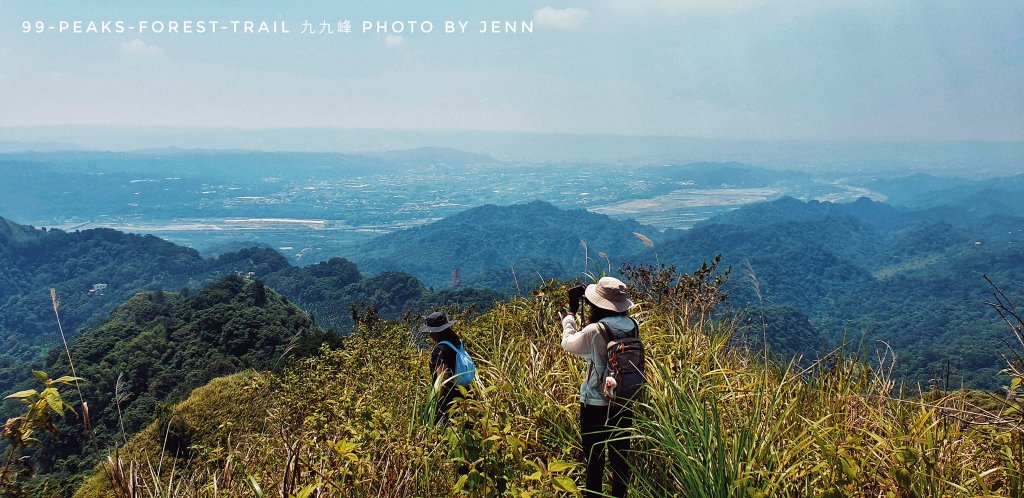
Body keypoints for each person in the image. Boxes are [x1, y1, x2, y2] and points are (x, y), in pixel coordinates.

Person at [560, 277, 638, 498]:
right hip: (623, 401)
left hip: (595, 404)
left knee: (594, 462)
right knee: (620, 461)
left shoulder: (595, 330)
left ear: (597, 303)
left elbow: (568, 343)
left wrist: (571, 314)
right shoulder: (632, 326)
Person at [419, 311, 470, 424]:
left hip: (448, 400)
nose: (430, 335)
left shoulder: (440, 349)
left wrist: (434, 404)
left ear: (438, 332)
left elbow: (442, 378)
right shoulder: (457, 341)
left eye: (432, 331)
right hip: (464, 393)